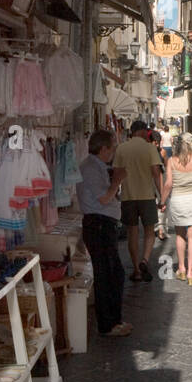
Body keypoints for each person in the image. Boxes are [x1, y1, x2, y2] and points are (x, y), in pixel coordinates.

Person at [76, 130, 132, 337]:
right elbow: (104, 198)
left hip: (103, 224)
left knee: (112, 273)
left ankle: (113, 321)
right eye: (112, 147)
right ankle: (108, 324)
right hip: (98, 225)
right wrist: (117, 180)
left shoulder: (96, 166)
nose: (113, 152)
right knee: (108, 273)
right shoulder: (91, 168)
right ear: (103, 149)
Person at [113, 119, 162, 282]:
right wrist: (162, 195)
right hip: (147, 196)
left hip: (128, 196)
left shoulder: (121, 148)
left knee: (132, 233)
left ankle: (136, 269)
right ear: (142, 131)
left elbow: (117, 173)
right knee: (149, 232)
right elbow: (156, 172)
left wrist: (114, 193)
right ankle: (145, 260)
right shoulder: (150, 148)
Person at [160, 131, 192, 283]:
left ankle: (181, 268)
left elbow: (168, 184)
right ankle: (191, 273)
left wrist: (162, 201)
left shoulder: (172, 161)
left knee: (180, 235)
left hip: (178, 199)